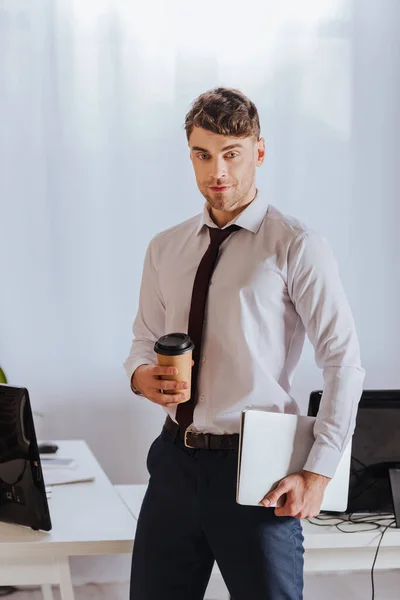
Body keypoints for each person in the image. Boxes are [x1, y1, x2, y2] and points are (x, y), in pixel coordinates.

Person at [124, 87, 365, 600]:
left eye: (232, 154)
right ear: (189, 153)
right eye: (203, 154)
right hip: (173, 464)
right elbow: (143, 339)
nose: (219, 172)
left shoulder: (296, 245)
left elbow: (343, 362)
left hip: (257, 472)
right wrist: (141, 376)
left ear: (259, 151)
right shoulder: (165, 247)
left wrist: (318, 471)